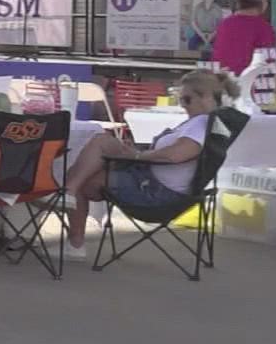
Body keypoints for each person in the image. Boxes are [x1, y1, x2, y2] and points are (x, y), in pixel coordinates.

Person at [64, 69, 239, 258]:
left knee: (87, 171)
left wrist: (138, 156)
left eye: (186, 100)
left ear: (205, 98)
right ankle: (69, 199)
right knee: (99, 150)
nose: (183, 106)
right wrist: (139, 152)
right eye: (181, 100)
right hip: (155, 183)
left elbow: (175, 155)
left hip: (156, 194)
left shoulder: (201, 124)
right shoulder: (207, 123)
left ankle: (71, 215)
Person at [210, 0, 276, 72]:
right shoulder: (264, 28)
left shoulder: (224, 24)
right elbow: (268, 64)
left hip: (222, 81)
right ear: (261, 3)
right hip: (248, 83)